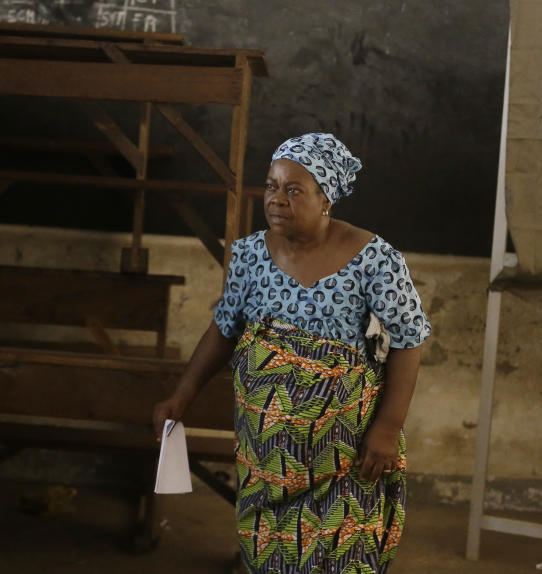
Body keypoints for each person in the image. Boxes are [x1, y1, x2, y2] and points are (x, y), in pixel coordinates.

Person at [153, 133, 431, 574]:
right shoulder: (248, 255)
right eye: (271, 186)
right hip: (266, 455)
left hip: (342, 450)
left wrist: (388, 426)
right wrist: (182, 394)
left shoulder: (375, 259)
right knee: (271, 552)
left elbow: (409, 340)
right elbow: (224, 328)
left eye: (293, 189)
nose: (276, 199)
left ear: (326, 199)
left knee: (345, 548)